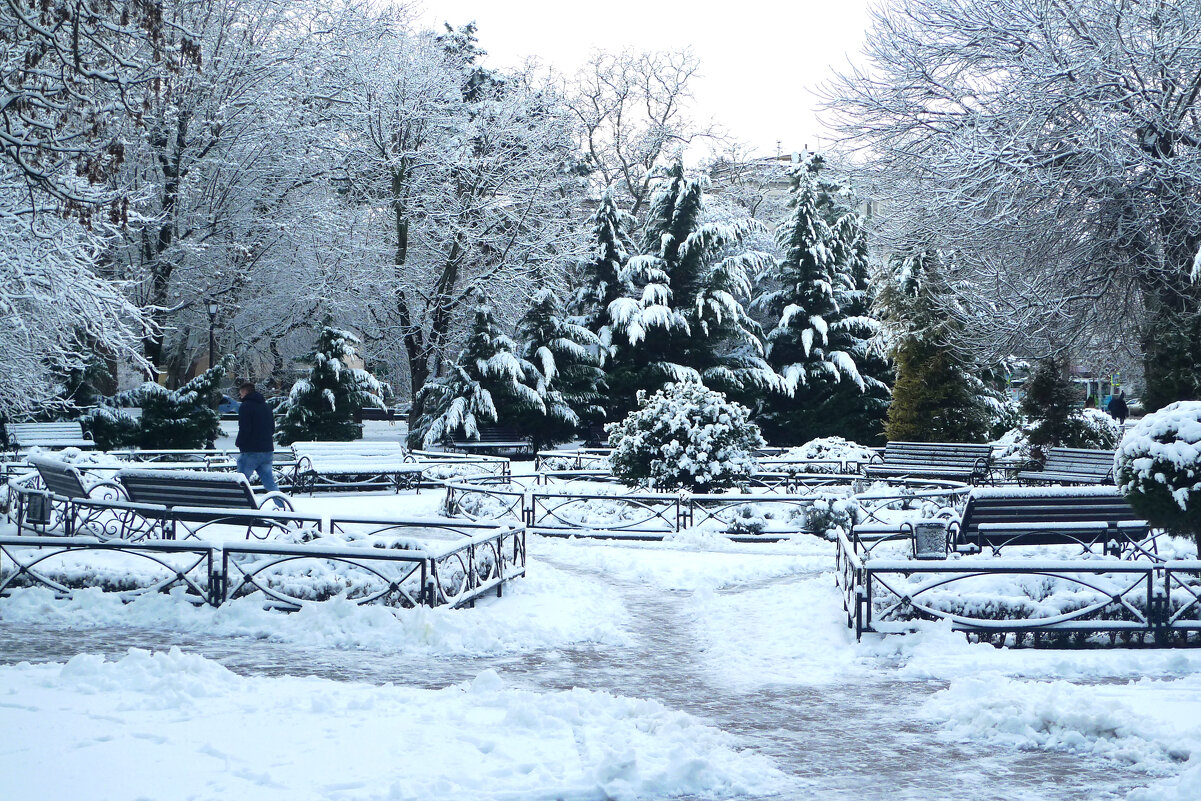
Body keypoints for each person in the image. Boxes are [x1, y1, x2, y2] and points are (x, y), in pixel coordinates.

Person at [235, 381, 279, 493]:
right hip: (267, 450)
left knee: (240, 483)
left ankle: (238, 507)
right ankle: (282, 505)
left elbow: (245, 428)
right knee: (270, 483)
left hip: (251, 451)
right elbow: (272, 428)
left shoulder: (245, 406)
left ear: (245, 392)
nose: (240, 396)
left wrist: (239, 442)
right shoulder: (266, 406)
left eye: (240, 393)